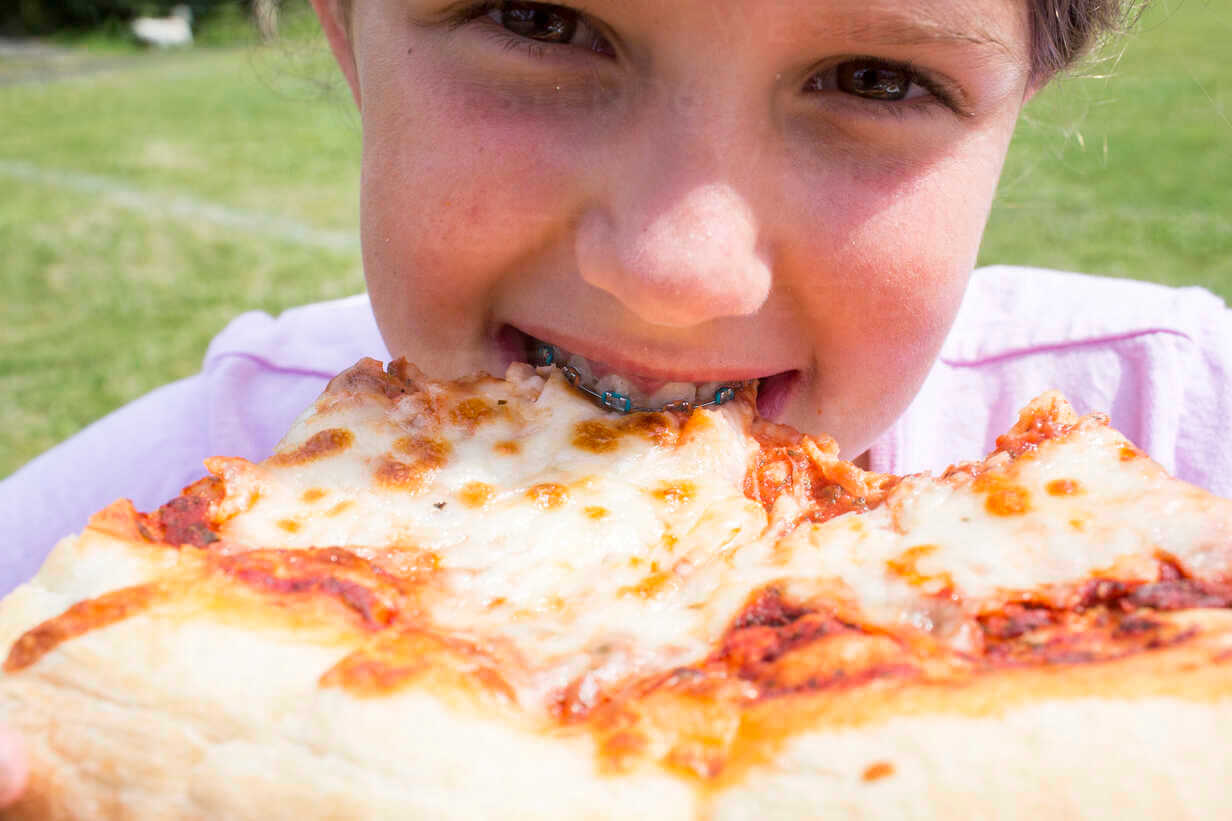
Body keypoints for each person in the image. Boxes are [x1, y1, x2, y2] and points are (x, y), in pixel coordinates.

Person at [2, 0, 1229, 808]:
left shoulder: (1182, 436)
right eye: (543, 20)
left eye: (874, 78)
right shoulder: (89, 581)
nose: (675, 269)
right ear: (344, 31)